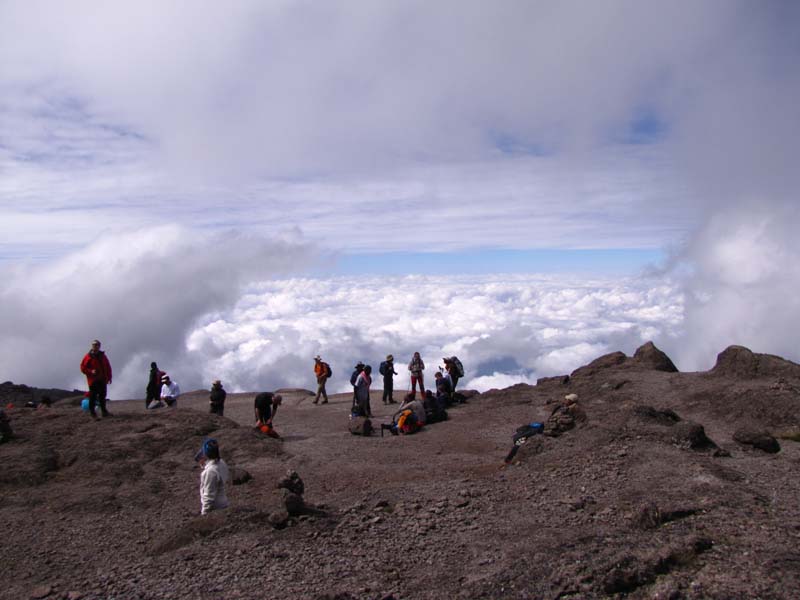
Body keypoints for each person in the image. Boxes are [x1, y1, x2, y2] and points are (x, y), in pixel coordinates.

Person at [80, 339, 113, 419]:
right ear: (92, 346)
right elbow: (82, 367)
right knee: (93, 396)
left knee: (102, 396)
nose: (95, 346)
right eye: (94, 345)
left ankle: (104, 412)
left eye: (97, 345)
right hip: (93, 380)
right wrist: (91, 371)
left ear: (99, 346)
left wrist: (109, 377)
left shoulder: (103, 356)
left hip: (102, 379)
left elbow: (108, 367)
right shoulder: (88, 357)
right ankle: (93, 413)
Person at [196, 438, 230, 515]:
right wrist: (205, 465)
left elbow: (209, 496)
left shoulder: (210, 472)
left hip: (215, 509)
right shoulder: (221, 463)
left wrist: (204, 513)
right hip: (223, 503)